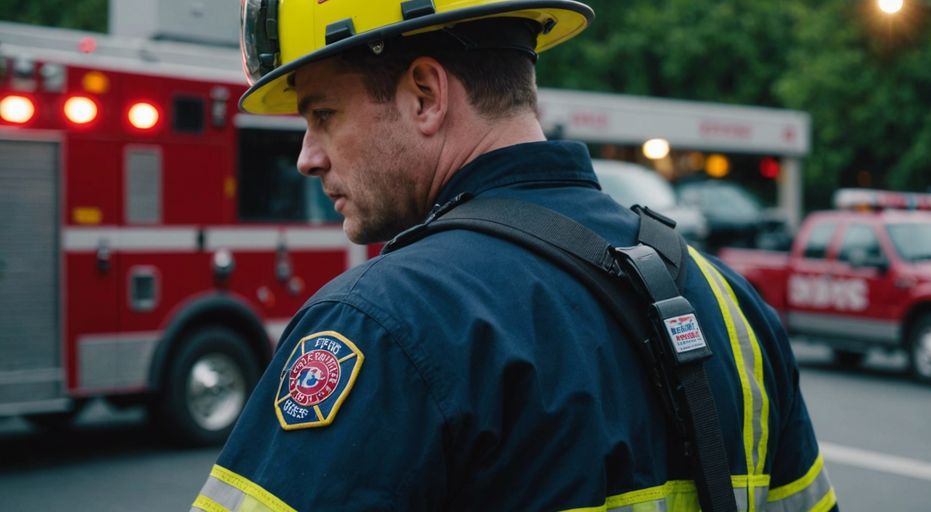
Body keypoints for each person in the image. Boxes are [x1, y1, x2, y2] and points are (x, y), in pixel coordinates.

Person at [193, 1, 837, 510]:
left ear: (425, 95)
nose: (308, 156)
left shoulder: (381, 324)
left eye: (323, 114)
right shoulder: (729, 303)